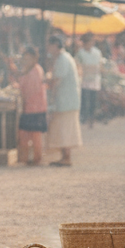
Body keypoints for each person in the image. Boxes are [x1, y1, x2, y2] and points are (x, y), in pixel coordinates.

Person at [44, 36, 81, 166]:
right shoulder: (62, 58)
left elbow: (56, 81)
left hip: (67, 100)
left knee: (65, 129)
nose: (48, 49)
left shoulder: (63, 59)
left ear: (55, 45)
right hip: (67, 100)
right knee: (64, 129)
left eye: (49, 46)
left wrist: (47, 85)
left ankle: (66, 157)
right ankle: (64, 156)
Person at [10, 46, 47, 166]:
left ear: (34, 58)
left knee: (34, 135)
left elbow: (30, 90)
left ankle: (36, 158)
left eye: (28, 58)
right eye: (24, 58)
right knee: (25, 134)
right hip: (30, 107)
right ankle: (25, 158)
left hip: (35, 107)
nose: (26, 60)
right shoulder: (29, 69)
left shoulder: (35, 71)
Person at [76, 33, 104, 128]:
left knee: (93, 100)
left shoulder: (97, 52)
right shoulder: (80, 53)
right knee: (84, 99)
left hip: (94, 79)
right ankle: (84, 118)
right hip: (84, 80)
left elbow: (100, 65)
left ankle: (91, 119)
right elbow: (78, 65)